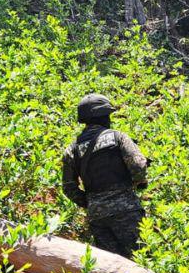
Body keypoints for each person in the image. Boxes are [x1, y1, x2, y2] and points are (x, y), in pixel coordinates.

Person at [61, 93, 148, 259]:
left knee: (112, 268)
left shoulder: (72, 149)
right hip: (126, 210)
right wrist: (140, 182)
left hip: (97, 216)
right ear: (104, 116)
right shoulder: (118, 137)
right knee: (142, 260)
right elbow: (138, 166)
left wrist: (91, 202)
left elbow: (68, 187)